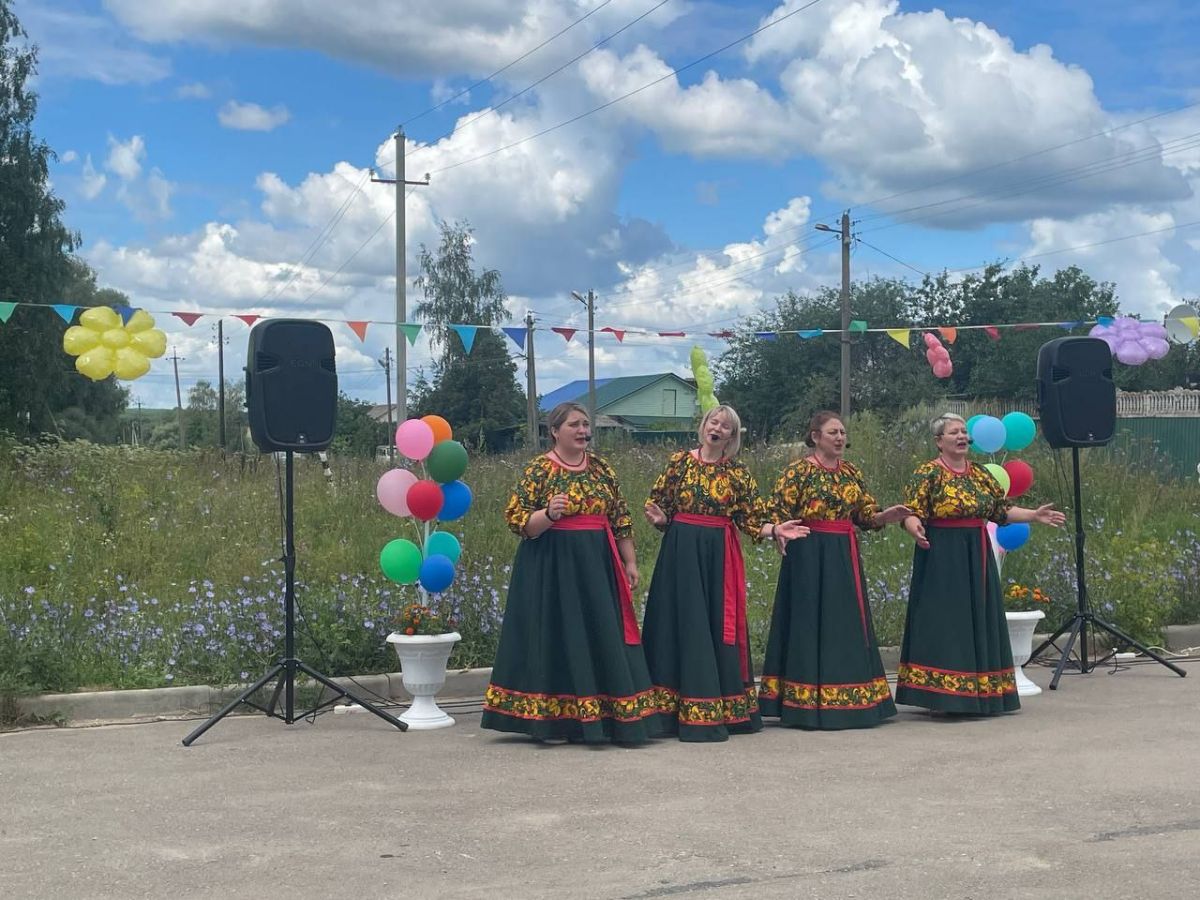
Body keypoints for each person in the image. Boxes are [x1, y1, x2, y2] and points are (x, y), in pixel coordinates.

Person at [480, 402, 666, 743]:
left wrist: (630, 562)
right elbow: (517, 521)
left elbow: (620, 517)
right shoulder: (540, 470)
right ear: (554, 431)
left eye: (585, 425)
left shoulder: (601, 469)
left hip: (597, 566)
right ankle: (556, 721)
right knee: (557, 637)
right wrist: (549, 514)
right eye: (574, 425)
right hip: (552, 569)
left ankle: (606, 715)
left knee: (600, 634)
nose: (583, 431)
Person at [641, 405, 808, 742]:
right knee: (679, 622)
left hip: (719, 554)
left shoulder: (738, 473)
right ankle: (668, 711)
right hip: (680, 554)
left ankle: (717, 706)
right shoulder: (679, 463)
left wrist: (775, 529)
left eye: (726, 426)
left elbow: (750, 519)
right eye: (713, 422)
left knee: (717, 626)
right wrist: (660, 520)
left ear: (732, 436)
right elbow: (658, 504)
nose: (717, 428)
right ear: (703, 426)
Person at [895, 412, 1066, 715]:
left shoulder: (979, 474)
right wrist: (913, 525)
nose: (962, 437)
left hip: (976, 551)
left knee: (979, 615)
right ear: (939, 441)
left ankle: (981, 692)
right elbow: (911, 510)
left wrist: (1033, 515)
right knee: (947, 620)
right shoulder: (927, 474)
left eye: (964, 432)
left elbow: (1000, 511)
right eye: (954, 433)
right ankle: (943, 696)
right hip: (941, 553)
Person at [757, 411, 911, 730]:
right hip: (809, 552)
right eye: (833, 432)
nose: (840, 438)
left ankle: (851, 698)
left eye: (842, 432)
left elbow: (864, 514)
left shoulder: (851, 472)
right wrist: (778, 532)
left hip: (843, 553)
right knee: (809, 622)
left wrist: (885, 517)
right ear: (815, 436)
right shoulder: (797, 472)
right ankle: (803, 704)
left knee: (845, 622)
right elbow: (775, 511)